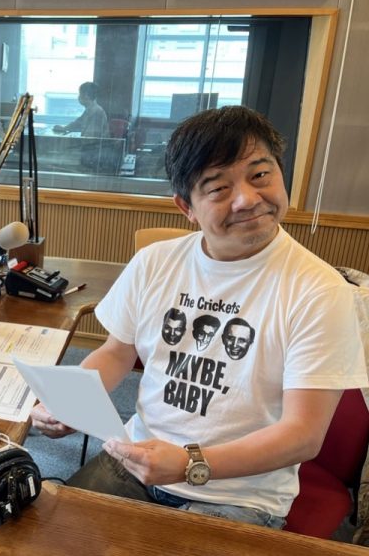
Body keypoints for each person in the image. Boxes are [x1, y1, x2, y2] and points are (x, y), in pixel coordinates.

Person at [31, 105, 367, 529]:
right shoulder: (154, 262)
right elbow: (117, 352)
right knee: (49, 536)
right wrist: (67, 404)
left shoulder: (319, 290)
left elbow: (303, 435)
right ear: (185, 206)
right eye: (219, 188)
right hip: (133, 461)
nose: (247, 199)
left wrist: (189, 463)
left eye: (260, 175)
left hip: (238, 494)